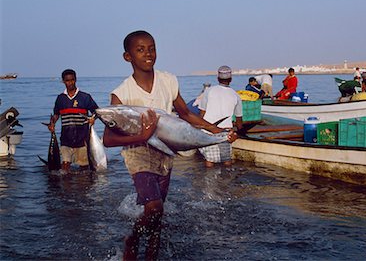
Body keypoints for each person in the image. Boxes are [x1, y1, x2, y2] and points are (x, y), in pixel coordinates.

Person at [102, 30, 237, 260]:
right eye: (140, 49)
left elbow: (184, 113)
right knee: (155, 207)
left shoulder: (168, 80)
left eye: (152, 48)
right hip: (138, 152)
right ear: (128, 57)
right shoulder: (121, 94)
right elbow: (108, 139)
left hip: (166, 151)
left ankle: (151, 256)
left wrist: (217, 131)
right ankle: (132, 238)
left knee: (157, 215)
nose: (148, 54)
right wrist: (142, 136)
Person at [48, 69, 98, 173]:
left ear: (75, 80)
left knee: (84, 170)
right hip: (65, 139)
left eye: (72, 80)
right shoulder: (60, 98)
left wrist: (93, 119)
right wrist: (52, 123)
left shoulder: (85, 97)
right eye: (67, 80)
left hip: (82, 140)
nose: (70, 83)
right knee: (65, 169)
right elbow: (56, 114)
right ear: (63, 81)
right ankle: (67, 189)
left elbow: (96, 112)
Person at [198, 65, 243, 168]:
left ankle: (209, 182)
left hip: (209, 130)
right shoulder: (236, 95)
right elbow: (239, 120)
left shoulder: (208, 91)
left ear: (218, 78)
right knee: (227, 160)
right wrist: (239, 132)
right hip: (225, 132)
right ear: (230, 79)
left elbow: (202, 114)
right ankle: (227, 182)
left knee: (210, 161)